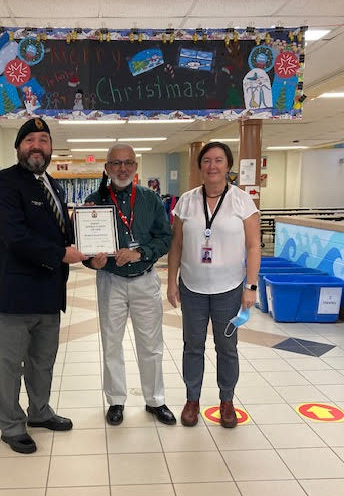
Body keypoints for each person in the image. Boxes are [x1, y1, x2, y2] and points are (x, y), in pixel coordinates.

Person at [0, 118, 87, 453]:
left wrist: (90, 252)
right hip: (14, 294)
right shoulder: (4, 183)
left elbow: (63, 235)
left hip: (48, 292)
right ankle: (11, 425)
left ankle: (40, 412)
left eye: (43, 140)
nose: (37, 146)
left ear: (50, 148)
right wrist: (61, 253)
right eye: (30, 139)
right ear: (19, 146)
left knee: (42, 361)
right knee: (8, 365)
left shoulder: (54, 186)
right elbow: (15, 236)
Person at [167, 142, 260, 428]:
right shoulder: (186, 200)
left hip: (229, 289)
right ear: (200, 166)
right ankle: (192, 399)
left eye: (218, 160)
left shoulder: (242, 201)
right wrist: (172, 281)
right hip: (192, 287)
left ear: (228, 165)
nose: (212, 166)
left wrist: (251, 287)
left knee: (226, 347)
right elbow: (177, 244)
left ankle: (227, 400)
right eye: (206, 160)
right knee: (192, 345)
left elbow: (254, 245)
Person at [84, 144, 175, 426]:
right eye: (116, 163)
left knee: (151, 344)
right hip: (110, 280)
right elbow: (86, 247)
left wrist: (141, 253)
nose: (122, 168)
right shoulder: (94, 200)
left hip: (144, 280)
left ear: (135, 167)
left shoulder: (150, 199)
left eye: (128, 163)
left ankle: (155, 400)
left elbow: (165, 238)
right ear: (107, 168)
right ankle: (116, 400)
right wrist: (92, 262)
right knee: (111, 343)